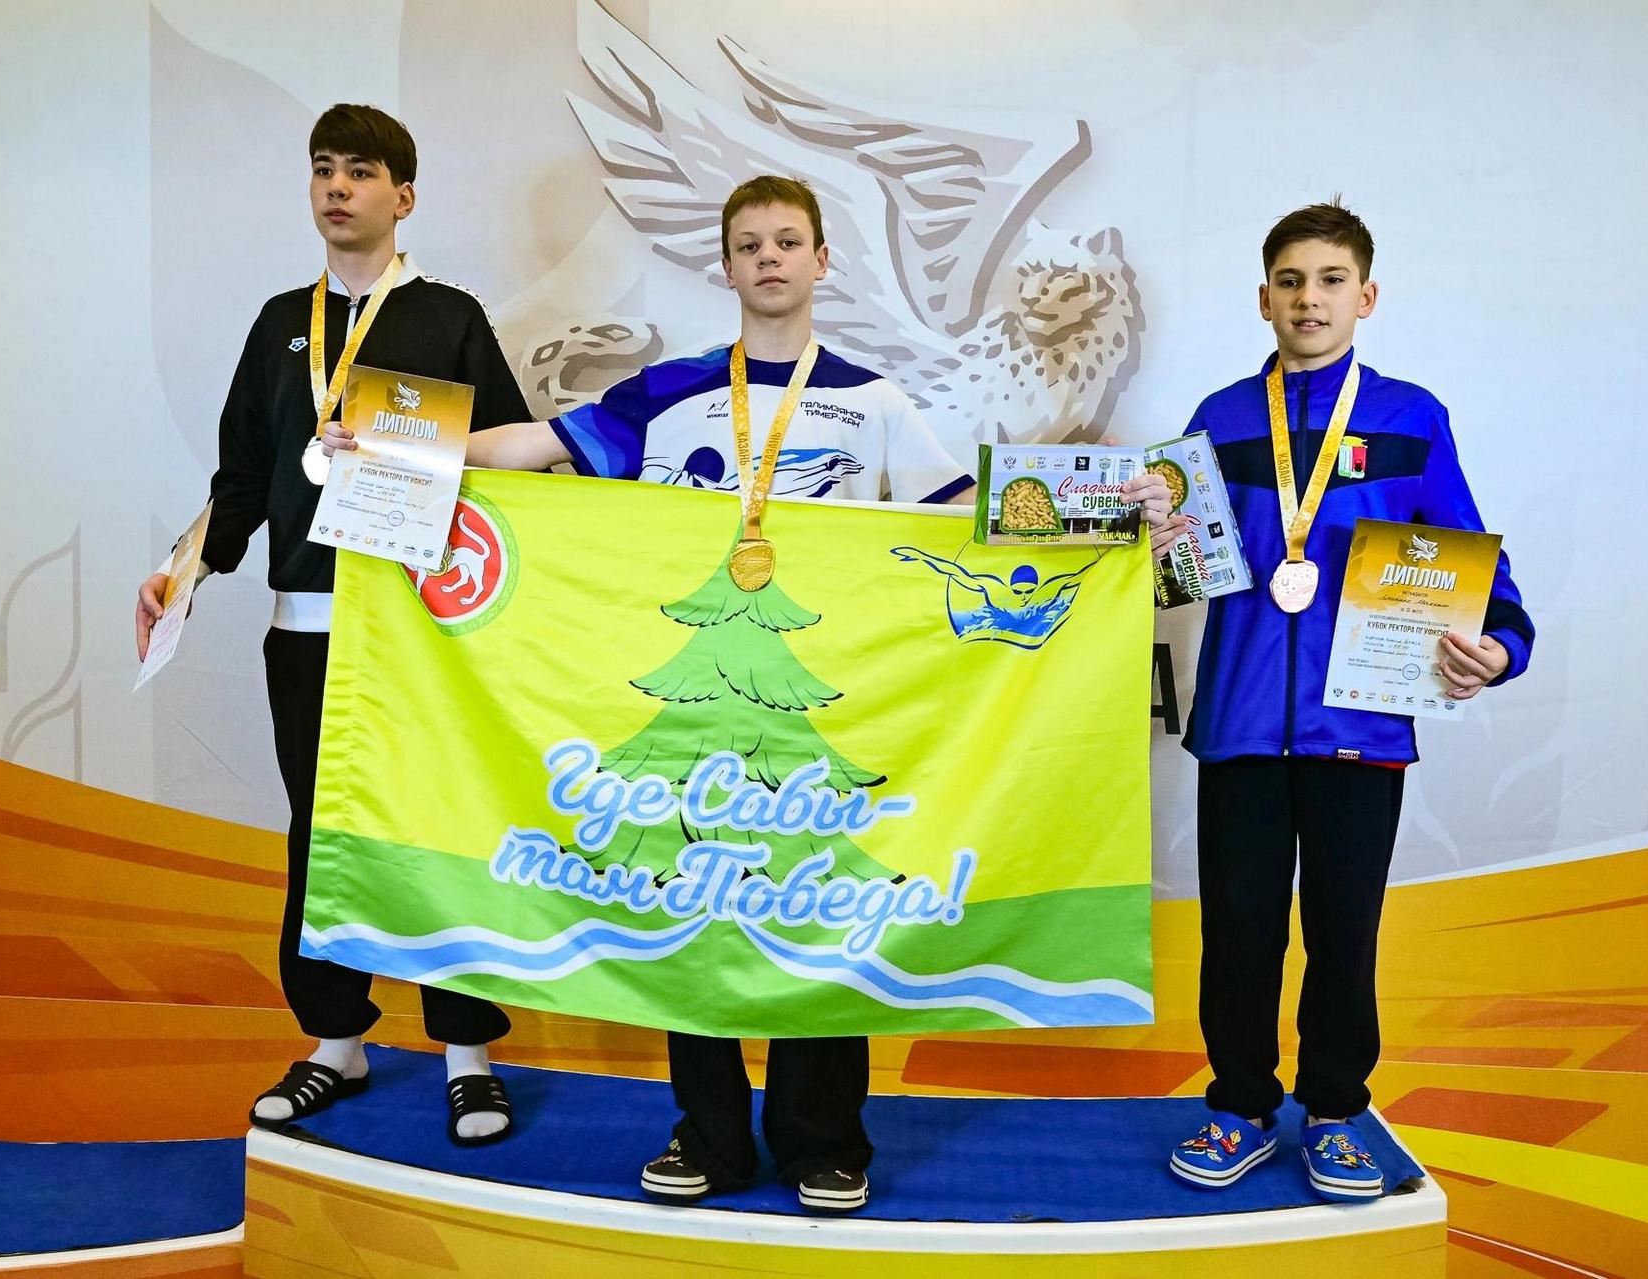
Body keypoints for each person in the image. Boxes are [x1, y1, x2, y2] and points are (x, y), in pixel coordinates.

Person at [328, 174, 1174, 1212]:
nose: (769, 257)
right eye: (749, 244)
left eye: (786, 241)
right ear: (725, 266)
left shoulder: (872, 401)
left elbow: (966, 518)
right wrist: (384, 445)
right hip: (685, 715)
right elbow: (528, 448)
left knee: (825, 912)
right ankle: (709, 1136)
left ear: (821, 261)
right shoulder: (670, 391)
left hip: (819, 715)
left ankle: (828, 1141)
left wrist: (1110, 512)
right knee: (692, 912)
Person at [134, 104, 532, 1146]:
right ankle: (335, 1041)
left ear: (405, 195)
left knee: (440, 826)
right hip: (306, 627)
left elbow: (513, 462)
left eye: (361, 171)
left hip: (423, 631)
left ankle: (469, 1055)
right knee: (321, 834)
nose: (338, 187)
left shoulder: (447, 318)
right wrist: (179, 572)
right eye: (323, 169)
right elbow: (241, 479)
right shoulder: (279, 324)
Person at [1165, 201, 1534, 1200]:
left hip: (1362, 728)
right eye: (1290, 281)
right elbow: (1176, 572)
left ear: (1366, 297)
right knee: (1239, 933)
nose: (1309, 299)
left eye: (1331, 280)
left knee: (1344, 934)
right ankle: (1241, 1105)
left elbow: (1467, 552)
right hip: (1240, 725)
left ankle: (1335, 1112)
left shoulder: (1412, 418)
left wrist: (1502, 644)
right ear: (1263, 299)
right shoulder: (1219, 419)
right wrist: (1145, 525)